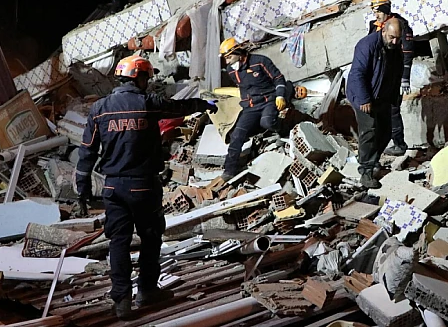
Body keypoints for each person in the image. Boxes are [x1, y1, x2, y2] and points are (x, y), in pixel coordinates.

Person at [75, 55, 217, 320]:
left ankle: (122, 302)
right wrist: (204, 103)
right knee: (150, 239)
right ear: (138, 78)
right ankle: (147, 291)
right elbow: (178, 107)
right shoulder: (148, 104)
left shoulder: (100, 108)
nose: (147, 83)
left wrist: (82, 188)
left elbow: (86, 152)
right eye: (146, 78)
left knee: (119, 242)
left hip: (113, 188)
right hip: (143, 186)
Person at [219, 37, 291, 181]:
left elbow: (278, 78)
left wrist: (280, 95)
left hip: (268, 101)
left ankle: (284, 127)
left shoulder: (260, 61)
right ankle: (229, 169)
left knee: (267, 122)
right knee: (237, 135)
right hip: (250, 107)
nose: (227, 62)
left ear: (239, 52)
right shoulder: (231, 71)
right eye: (225, 58)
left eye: (229, 57)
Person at [346, 18, 404, 189]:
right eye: (392, 37)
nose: (395, 42)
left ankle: (370, 159)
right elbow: (357, 74)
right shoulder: (367, 45)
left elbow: (396, 72)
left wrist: (394, 96)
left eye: (398, 38)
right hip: (363, 95)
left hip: (382, 96)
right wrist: (364, 99)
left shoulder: (394, 48)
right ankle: (366, 171)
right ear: (384, 31)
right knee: (369, 131)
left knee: (385, 131)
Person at [367, 0, 414, 156]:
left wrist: (405, 78)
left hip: (394, 75)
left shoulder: (400, 24)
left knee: (393, 110)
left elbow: (407, 51)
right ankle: (380, 142)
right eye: (375, 12)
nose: (376, 15)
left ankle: (399, 144)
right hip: (379, 76)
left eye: (378, 11)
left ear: (386, 9)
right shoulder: (374, 26)